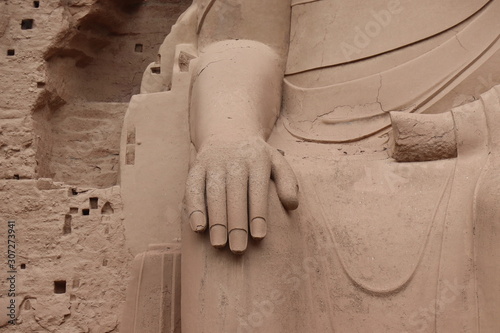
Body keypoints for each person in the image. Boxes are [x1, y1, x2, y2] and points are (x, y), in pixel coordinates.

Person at [161, 0, 500, 331]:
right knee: (237, 195)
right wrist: (230, 130)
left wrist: (464, 127)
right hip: (301, 149)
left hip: (473, 151)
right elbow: (242, 44)